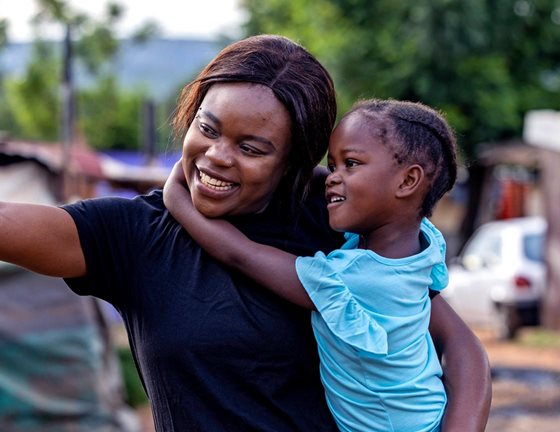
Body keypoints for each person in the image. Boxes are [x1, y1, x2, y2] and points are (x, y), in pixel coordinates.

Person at [0, 34, 491, 431]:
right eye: (208, 129)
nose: (217, 157)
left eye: (252, 147)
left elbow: (460, 349)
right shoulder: (135, 235)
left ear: (296, 161)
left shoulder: (334, 225)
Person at [164, 98, 461, 431]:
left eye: (350, 163)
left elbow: (241, 254)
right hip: (425, 413)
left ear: (407, 182)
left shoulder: (354, 280)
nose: (330, 179)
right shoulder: (422, 246)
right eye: (332, 166)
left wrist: (175, 197)